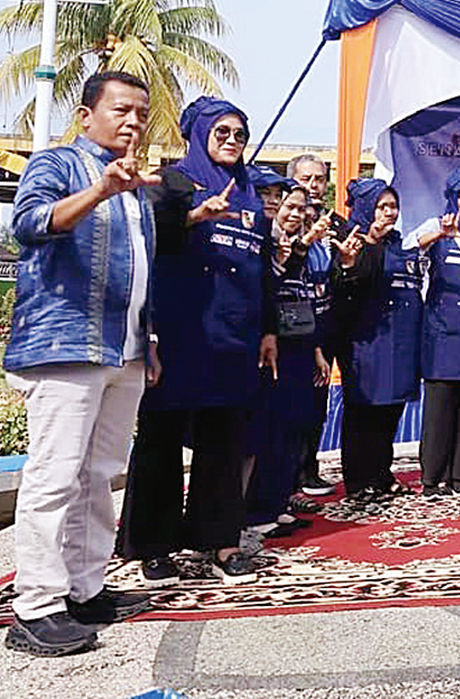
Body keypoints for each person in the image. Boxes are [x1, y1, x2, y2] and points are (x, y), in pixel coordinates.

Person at [2, 72, 159, 656]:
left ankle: (85, 587)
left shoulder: (135, 185)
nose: (133, 122)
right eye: (121, 110)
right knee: (55, 474)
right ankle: (36, 605)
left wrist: (151, 340)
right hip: (66, 345)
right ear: (85, 114)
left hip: (125, 350)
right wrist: (100, 191)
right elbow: (28, 224)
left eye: (141, 113)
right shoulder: (59, 164)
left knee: (100, 473)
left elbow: (140, 271)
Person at [118, 96, 275, 588]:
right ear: (200, 132)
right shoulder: (173, 184)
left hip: (236, 339)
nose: (232, 141)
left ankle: (222, 540)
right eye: (223, 132)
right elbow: (147, 242)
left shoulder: (249, 193)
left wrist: (268, 328)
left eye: (240, 134)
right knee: (162, 440)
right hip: (180, 332)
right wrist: (193, 218)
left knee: (225, 441)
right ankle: (155, 545)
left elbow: (260, 267)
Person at [243, 177, 334, 548]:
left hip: (299, 340)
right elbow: (269, 286)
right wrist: (292, 251)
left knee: (293, 424)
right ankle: (258, 510)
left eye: (300, 208)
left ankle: (278, 502)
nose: (295, 213)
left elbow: (304, 296)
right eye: (288, 207)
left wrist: (315, 349)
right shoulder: (267, 239)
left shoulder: (298, 247)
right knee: (270, 427)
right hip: (272, 343)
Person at [332, 177, 422, 504]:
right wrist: (366, 247)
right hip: (365, 342)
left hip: (398, 342)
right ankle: (359, 480)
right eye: (382, 207)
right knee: (364, 411)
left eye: (393, 206)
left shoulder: (398, 243)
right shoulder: (349, 243)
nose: (389, 213)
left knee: (389, 411)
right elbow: (347, 287)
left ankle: (382, 473)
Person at [406, 168, 460, 496]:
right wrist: (440, 235)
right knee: (439, 407)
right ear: (452, 198)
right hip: (442, 333)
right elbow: (408, 249)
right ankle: (432, 477)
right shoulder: (435, 227)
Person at [286, 153, 339, 497]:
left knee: (317, 404)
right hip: (294, 328)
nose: (313, 186)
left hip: (327, 322)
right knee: (293, 405)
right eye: (306, 179)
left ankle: (309, 468)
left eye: (319, 179)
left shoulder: (335, 224)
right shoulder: (288, 224)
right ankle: (287, 477)